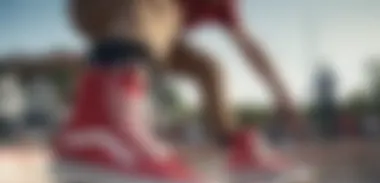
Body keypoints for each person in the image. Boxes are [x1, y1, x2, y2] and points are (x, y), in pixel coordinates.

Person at [69, 0, 298, 145]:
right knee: (161, 10)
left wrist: (281, 94)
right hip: (99, 6)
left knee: (209, 69)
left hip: (152, 35)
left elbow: (248, 46)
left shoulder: (224, 5)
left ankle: (228, 147)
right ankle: (105, 128)